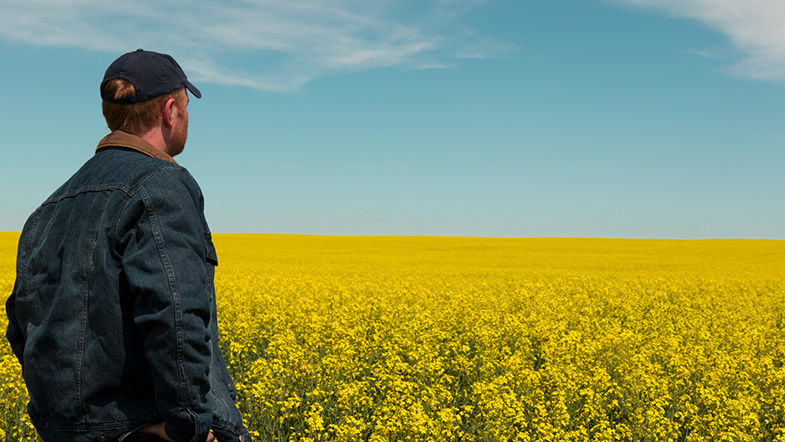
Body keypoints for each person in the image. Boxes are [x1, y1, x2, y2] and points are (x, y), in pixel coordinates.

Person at [5, 49, 252, 442]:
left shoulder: (47, 209)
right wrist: (189, 425)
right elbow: (174, 313)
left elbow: (23, 327)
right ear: (170, 111)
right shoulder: (161, 184)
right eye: (187, 106)